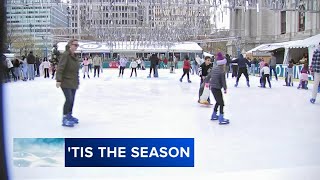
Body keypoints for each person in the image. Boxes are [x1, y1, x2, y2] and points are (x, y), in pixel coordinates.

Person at [56, 39, 80, 127]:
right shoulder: (66, 55)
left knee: (72, 100)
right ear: (70, 45)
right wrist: (58, 80)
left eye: (77, 45)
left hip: (73, 81)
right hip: (65, 81)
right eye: (75, 45)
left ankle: (69, 115)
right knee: (69, 99)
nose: (76, 46)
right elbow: (60, 67)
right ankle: (65, 118)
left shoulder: (74, 55)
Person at [204, 52, 229, 125]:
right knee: (222, 103)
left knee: (218, 101)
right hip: (217, 88)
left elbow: (208, 76)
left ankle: (214, 115)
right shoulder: (222, 71)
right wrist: (225, 88)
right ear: (223, 64)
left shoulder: (214, 68)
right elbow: (223, 81)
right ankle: (221, 118)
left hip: (212, 87)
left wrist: (206, 82)